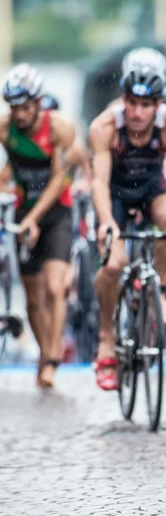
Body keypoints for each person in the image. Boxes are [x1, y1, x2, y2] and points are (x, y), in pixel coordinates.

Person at [90, 63, 166, 390]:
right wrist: (107, 222)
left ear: (158, 105)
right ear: (123, 100)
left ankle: (159, 290)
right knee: (113, 265)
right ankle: (106, 339)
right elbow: (98, 182)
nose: (137, 112)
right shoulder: (105, 126)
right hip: (116, 193)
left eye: (146, 105)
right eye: (132, 103)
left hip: (153, 189)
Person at [0, 63, 79, 388]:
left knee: (55, 286)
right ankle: (45, 352)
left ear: (39, 102)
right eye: (14, 108)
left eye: (25, 107)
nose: (19, 114)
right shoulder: (5, 129)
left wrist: (33, 218)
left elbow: (60, 179)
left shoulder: (60, 129)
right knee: (33, 295)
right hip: (23, 212)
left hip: (55, 211)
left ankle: (52, 358)